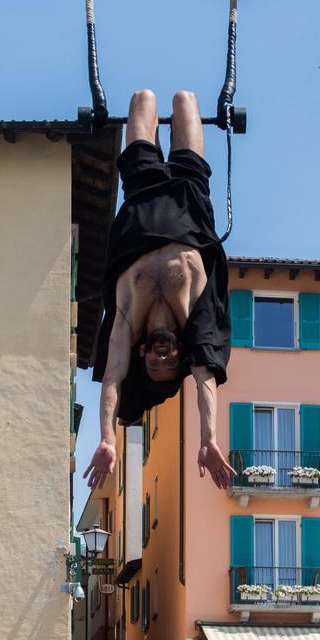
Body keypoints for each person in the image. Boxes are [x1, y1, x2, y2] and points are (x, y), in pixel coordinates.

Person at [84, 89, 236, 492]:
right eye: (171, 366)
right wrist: (209, 439)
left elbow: (113, 376)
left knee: (141, 100)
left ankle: (147, 102)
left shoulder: (128, 320)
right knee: (186, 100)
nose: (165, 360)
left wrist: (107, 436)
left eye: (155, 366)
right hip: (190, 202)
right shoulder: (193, 321)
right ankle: (184, 102)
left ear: (144, 354)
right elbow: (205, 374)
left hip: (141, 198)